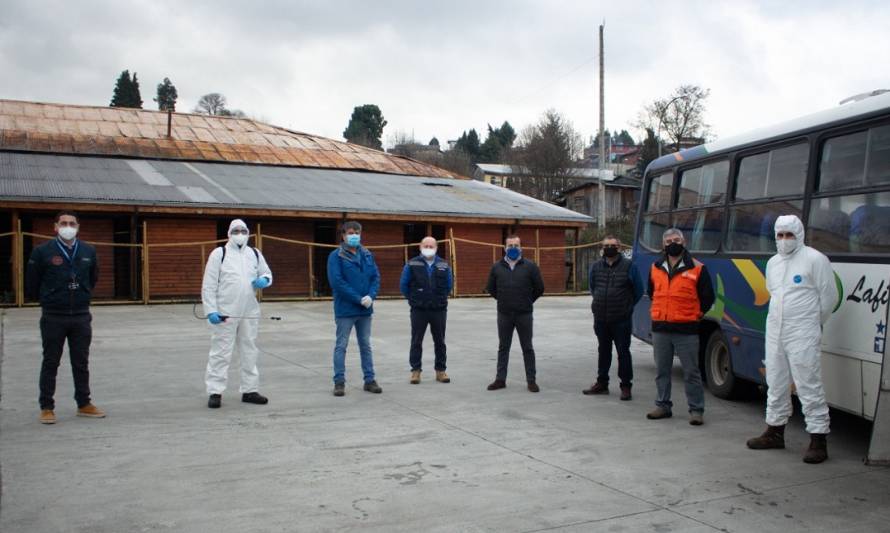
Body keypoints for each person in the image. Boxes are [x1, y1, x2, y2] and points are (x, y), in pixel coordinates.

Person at [747, 215, 838, 464]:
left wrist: (810, 322)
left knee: (808, 382)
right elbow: (773, 294)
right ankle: (775, 431)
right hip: (775, 329)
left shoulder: (815, 259)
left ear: (799, 235)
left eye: (790, 235)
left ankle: (818, 438)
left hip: (803, 330)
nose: (785, 240)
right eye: (780, 235)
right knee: (775, 380)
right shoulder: (774, 263)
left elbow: (828, 297)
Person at [26, 211, 105, 424]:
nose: (67, 226)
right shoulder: (43, 251)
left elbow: (93, 278)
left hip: (80, 315)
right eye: (63, 223)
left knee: (81, 362)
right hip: (54, 316)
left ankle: (84, 403)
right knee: (51, 361)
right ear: (55, 227)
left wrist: (82, 295)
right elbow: (32, 283)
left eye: (71, 223)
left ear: (78, 227)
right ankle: (47, 407)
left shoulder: (88, 250)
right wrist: (49, 298)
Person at [201, 219, 273, 409]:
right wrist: (211, 310)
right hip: (225, 312)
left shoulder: (254, 254)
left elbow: (267, 273)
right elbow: (208, 285)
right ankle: (215, 391)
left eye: (243, 230)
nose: (240, 233)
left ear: (248, 233)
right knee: (221, 352)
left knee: (249, 350)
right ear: (229, 233)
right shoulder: (220, 254)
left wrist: (264, 280)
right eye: (236, 230)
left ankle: (250, 390)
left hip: (249, 311)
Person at [647, 228, 715, 425]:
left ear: (684, 242)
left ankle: (696, 410)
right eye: (668, 241)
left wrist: (696, 315)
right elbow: (651, 292)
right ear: (663, 245)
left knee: (691, 372)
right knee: (662, 370)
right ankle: (662, 406)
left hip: (686, 329)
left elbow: (707, 297)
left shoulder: (698, 267)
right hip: (661, 328)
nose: (672, 244)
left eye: (676, 240)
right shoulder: (655, 267)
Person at [582, 236, 644, 400]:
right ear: (602, 247)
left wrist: (627, 307)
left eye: (613, 245)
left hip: (621, 319)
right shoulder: (595, 267)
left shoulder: (629, 266)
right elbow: (593, 287)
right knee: (603, 351)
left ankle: (625, 386)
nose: (609, 248)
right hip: (601, 318)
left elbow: (638, 290)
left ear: (619, 247)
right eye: (606, 245)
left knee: (623, 352)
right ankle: (602, 383)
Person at [327, 221, 382, 396]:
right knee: (341, 345)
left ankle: (369, 379)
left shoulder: (367, 254)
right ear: (343, 235)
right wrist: (359, 299)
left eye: (357, 232)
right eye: (350, 232)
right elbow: (337, 282)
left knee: (365, 345)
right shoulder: (336, 256)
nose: (354, 235)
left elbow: (375, 277)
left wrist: (371, 296)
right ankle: (339, 381)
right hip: (346, 309)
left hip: (365, 310)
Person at [485, 235, 545, 392]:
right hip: (504, 314)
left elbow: (539, 288)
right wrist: (504, 299)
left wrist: (526, 301)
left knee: (527, 348)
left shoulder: (530, 266)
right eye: (510, 245)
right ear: (505, 248)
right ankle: (500, 379)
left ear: (521, 247)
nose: (513, 248)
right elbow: (491, 288)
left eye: (516, 245)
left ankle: (531, 381)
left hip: (524, 314)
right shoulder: (497, 267)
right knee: (503, 347)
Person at [399, 236, 453, 384]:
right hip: (419, 310)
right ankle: (415, 371)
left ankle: (441, 371)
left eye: (431, 246)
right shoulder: (411, 264)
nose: (428, 248)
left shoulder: (444, 264)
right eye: (426, 246)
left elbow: (449, 286)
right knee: (416, 340)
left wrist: (438, 298)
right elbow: (404, 286)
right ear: (420, 247)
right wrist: (414, 299)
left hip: (438, 309)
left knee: (440, 341)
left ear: (436, 248)